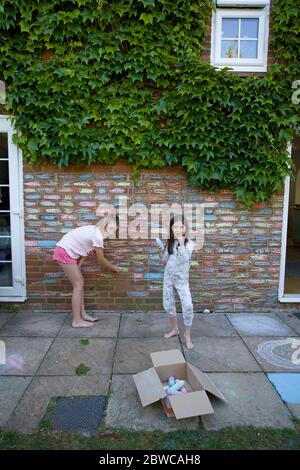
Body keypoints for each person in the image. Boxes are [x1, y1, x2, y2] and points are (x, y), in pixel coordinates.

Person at [52, 215, 119, 327]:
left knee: (79, 284)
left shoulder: (95, 231)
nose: (112, 232)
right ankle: (76, 321)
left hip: (67, 253)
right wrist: (112, 267)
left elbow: (84, 251)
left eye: (115, 230)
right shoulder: (97, 236)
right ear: (106, 225)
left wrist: (78, 266)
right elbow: (101, 259)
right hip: (64, 252)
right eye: (111, 229)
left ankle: (83, 315)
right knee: (78, 284)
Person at [158, 215, 195, 350]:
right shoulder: (170, 244)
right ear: (171, 229)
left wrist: (181, 242)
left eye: (181, 226)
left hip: (182, 281)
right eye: (175, 227)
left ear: (185, 228)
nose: (178, 229)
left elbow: (185, 259)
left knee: (188, 305)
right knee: (168, 305)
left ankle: (187, 334)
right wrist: (162, 252)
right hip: (168, 279)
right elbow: (165, 261)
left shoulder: (190, 244)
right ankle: (175, 329)